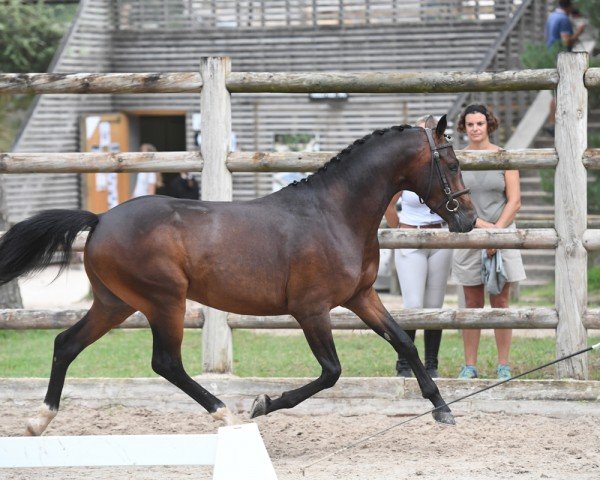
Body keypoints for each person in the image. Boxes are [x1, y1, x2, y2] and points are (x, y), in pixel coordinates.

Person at [452, 104, 526, 380]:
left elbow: (515, 200)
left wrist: (495, 233)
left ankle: (503, 365)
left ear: (489, 125)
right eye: (470, 124)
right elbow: (457, 202)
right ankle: (469, 365)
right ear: (464, 128)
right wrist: (482, 230)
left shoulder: (503, 157)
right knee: (471, 303)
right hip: (470, 232)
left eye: (480, 123)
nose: (475, 129)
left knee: (501, 301)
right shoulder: (457, 160)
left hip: (502, 231)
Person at [383, 115, 452, 379]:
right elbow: (390, 203)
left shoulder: (440, 163)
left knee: (435, 306)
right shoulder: (406, 167)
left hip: (439, 236)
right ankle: (404, 363)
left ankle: (431, 364)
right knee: (412, 304)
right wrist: (400, 228)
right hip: (411, 236)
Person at [545, 0, 586, 135]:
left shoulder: (552, 16)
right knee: (561, 91)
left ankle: (552, 122)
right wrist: (579, 32)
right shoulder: (563, 19)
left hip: (552, 55)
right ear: (569, 5)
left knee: (557, 91)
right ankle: (554, 122)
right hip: (562, 59)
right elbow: (565, 41)